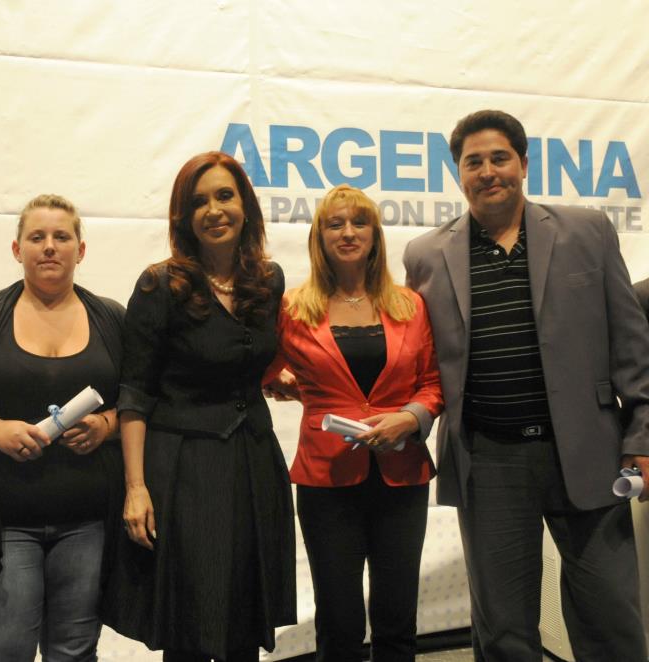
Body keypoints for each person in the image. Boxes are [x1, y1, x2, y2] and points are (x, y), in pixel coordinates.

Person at [403, 109, 649, 662]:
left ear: (523, 163)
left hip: (589, 452)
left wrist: (641, 438)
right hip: (488, 460)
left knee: (611, 619)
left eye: (499, 158)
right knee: (504, 630)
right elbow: (414, 357)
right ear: (457, 173)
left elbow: (633, 349)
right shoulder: (425, 256)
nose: (488, 171)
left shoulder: (588, 231)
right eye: (474, 162)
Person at [101, 151, 296, 662]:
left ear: (245, 205)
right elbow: (135, 395)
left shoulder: (268, 280)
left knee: (244, 624)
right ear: (183, 217)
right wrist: (136, 488)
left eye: (225, 196)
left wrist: (279, 377)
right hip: (184, 469)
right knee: (189, 628)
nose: (214, 211)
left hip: (254, 461)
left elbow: (245, 358)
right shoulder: (160, 284)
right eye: (199, 202)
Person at [0, 193, 124, 662]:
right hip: (0, 519)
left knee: (75, 653)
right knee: (3, 653)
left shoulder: (113, 319)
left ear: (81, 250)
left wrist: (104, 425)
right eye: (37, 237)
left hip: (88, 521)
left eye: (61, 237)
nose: (49, 246)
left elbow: (138, 405)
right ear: (17, 249)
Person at [266, 184, 442, 662]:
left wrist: (408, 419)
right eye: (335, 223)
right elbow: (257, 365)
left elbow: (432, 383)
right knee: (339, 620)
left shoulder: (410, 305)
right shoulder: (293, 309)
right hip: (327, 482)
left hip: (401, 477)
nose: (348, 232)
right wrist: (284, 383)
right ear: (319, 237)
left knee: (397, 617)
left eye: (359, 222)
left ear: (375, 235)